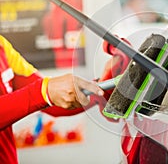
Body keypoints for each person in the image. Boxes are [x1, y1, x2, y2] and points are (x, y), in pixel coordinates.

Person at [0, 35, 104, 164]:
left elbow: (54, 103)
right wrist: (42, 92)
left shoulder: (2, 45)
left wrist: (107, 85)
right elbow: (41, 94)